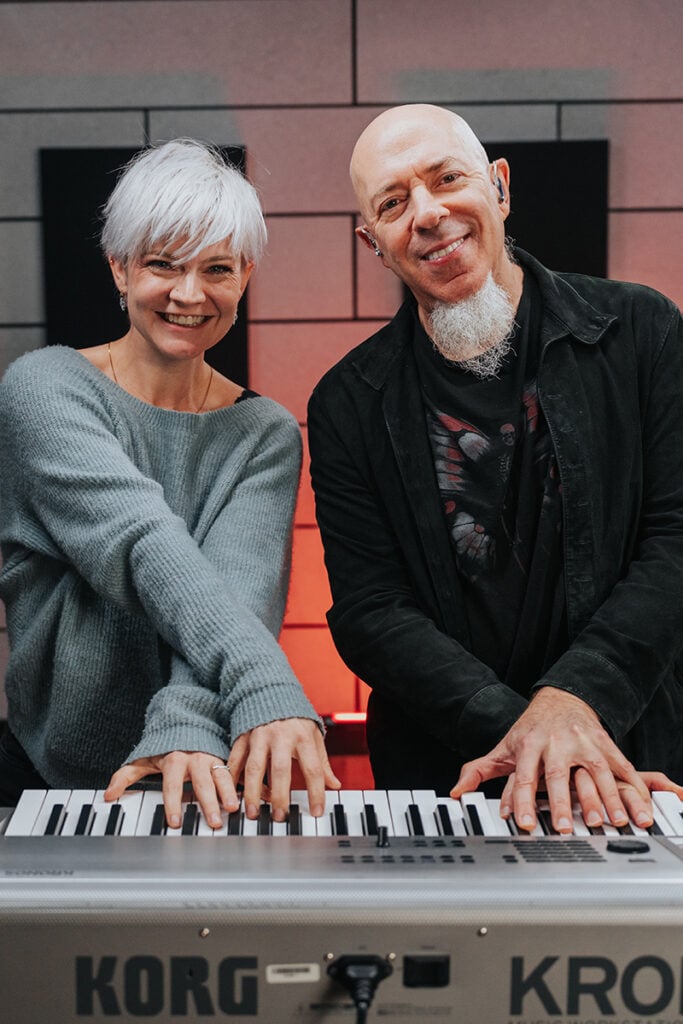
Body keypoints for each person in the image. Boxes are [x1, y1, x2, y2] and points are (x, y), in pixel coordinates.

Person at [307, 104, 683, 834]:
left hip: (633, 770)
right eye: (392, 202)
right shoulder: (345, 402)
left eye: (446, 178)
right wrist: (529, 739)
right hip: (450, 784)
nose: (426, 213)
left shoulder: (642, 331)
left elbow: (674, 542)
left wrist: (575, 706)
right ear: (372, 242)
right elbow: (369, 611)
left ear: (499, 187)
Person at [0, 138, 339, 828]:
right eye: (162, 265)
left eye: (217, 268)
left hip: (198, 771)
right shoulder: (44, 388)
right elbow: (142, 546)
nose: (190, 294)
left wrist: (185, 726)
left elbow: (235, 592)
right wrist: (267, 686)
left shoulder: (265, 432)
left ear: (244, 276)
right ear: (119, 269)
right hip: (43, 776)